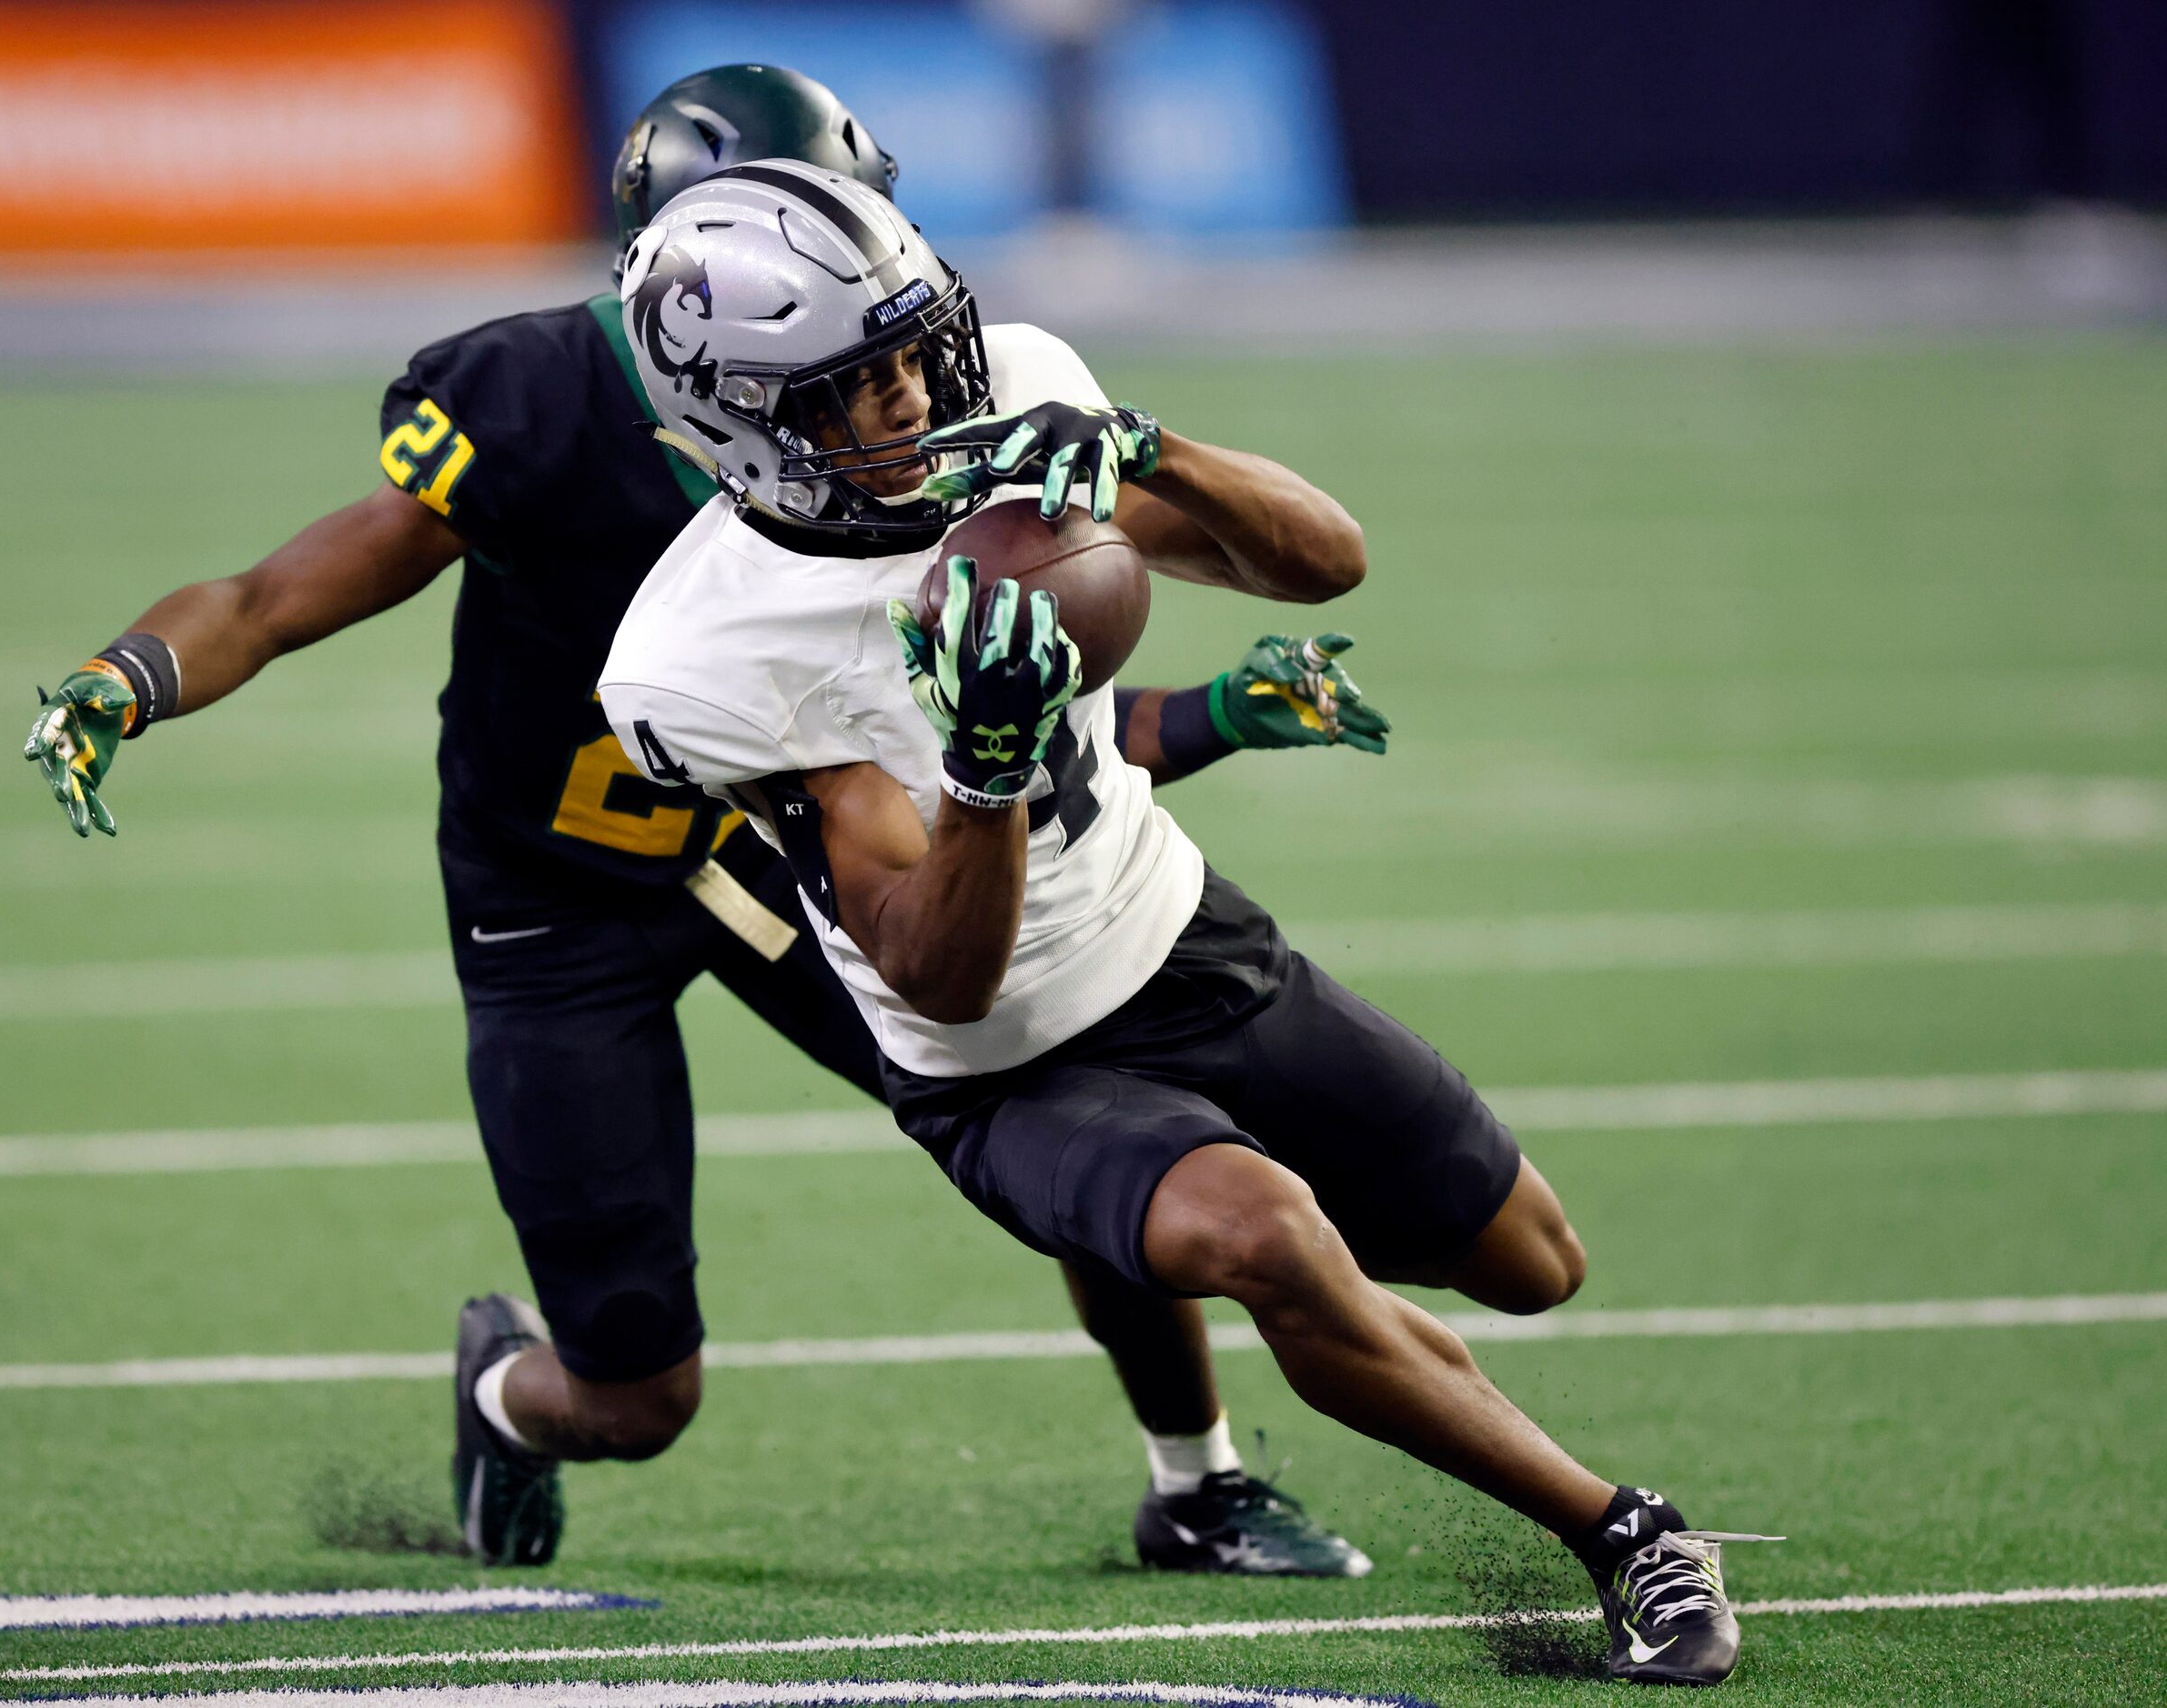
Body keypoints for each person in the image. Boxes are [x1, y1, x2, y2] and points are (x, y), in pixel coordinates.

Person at [20, 65, 1390, 1576]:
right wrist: (126, 677)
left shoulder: (926, 395)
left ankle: (1192, 1476)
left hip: (757, 851)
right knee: (634, 1387)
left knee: (1053, 1076)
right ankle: (509, 1392)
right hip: (553, 892)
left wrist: (1208, 706)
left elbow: (1016, 699)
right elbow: (277, 593)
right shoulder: (531, 401)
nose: (869, 335)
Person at [596, 161, 1779, 1686]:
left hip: (1179, 931)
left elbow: (1322, 556)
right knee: (1260, 1233)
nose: (901, 404)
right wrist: (985, 764)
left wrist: (1155, 452)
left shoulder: (1013, 384)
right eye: (844, 390)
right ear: (735, 429)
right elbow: (942, 979)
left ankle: (1312, 1344)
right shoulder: (697, 659)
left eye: (908, 352)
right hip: (1008, 1061)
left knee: (1533, 1262)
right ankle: (1626, 1534)